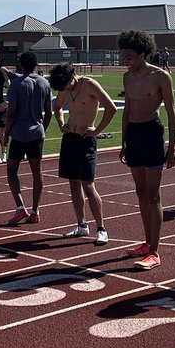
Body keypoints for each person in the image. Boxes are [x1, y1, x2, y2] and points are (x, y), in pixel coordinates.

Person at [119, 28, 175, 270]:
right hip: (133, 135)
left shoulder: (161, 76)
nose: (125, 60)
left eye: (130, 56)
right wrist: (123, 142)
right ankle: (146, 243)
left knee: (153, 194)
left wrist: (172, 148)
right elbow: (127, 110)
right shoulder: (127, 77)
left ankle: (154, 251)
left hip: (152, 134)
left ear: (143, 54)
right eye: (123, 56)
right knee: (140, 191)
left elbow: (172, 113)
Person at [49, 61, 116, 245]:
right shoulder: (64, 87)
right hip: (70, 138)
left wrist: (97, 131)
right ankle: (81, 225)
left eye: (66, 85)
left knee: (88, 185)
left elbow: (111, 107)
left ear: (72, 76)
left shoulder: (89, 84)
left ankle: (101, 228)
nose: (65, 89)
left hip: (86, 139)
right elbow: (57, 107)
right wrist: (61, 123)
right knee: (73, 184)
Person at [4, 51, 52, 225]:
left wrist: (6, 134)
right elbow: (49, 112)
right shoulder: (45, 83)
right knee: (37, 172)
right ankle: (35, 211)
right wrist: (42, 129)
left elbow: (11, 113)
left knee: (11, 171)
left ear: (21, 65)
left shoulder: (16, 84)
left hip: (19, 133)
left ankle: (20, 207)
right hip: (36, 133)